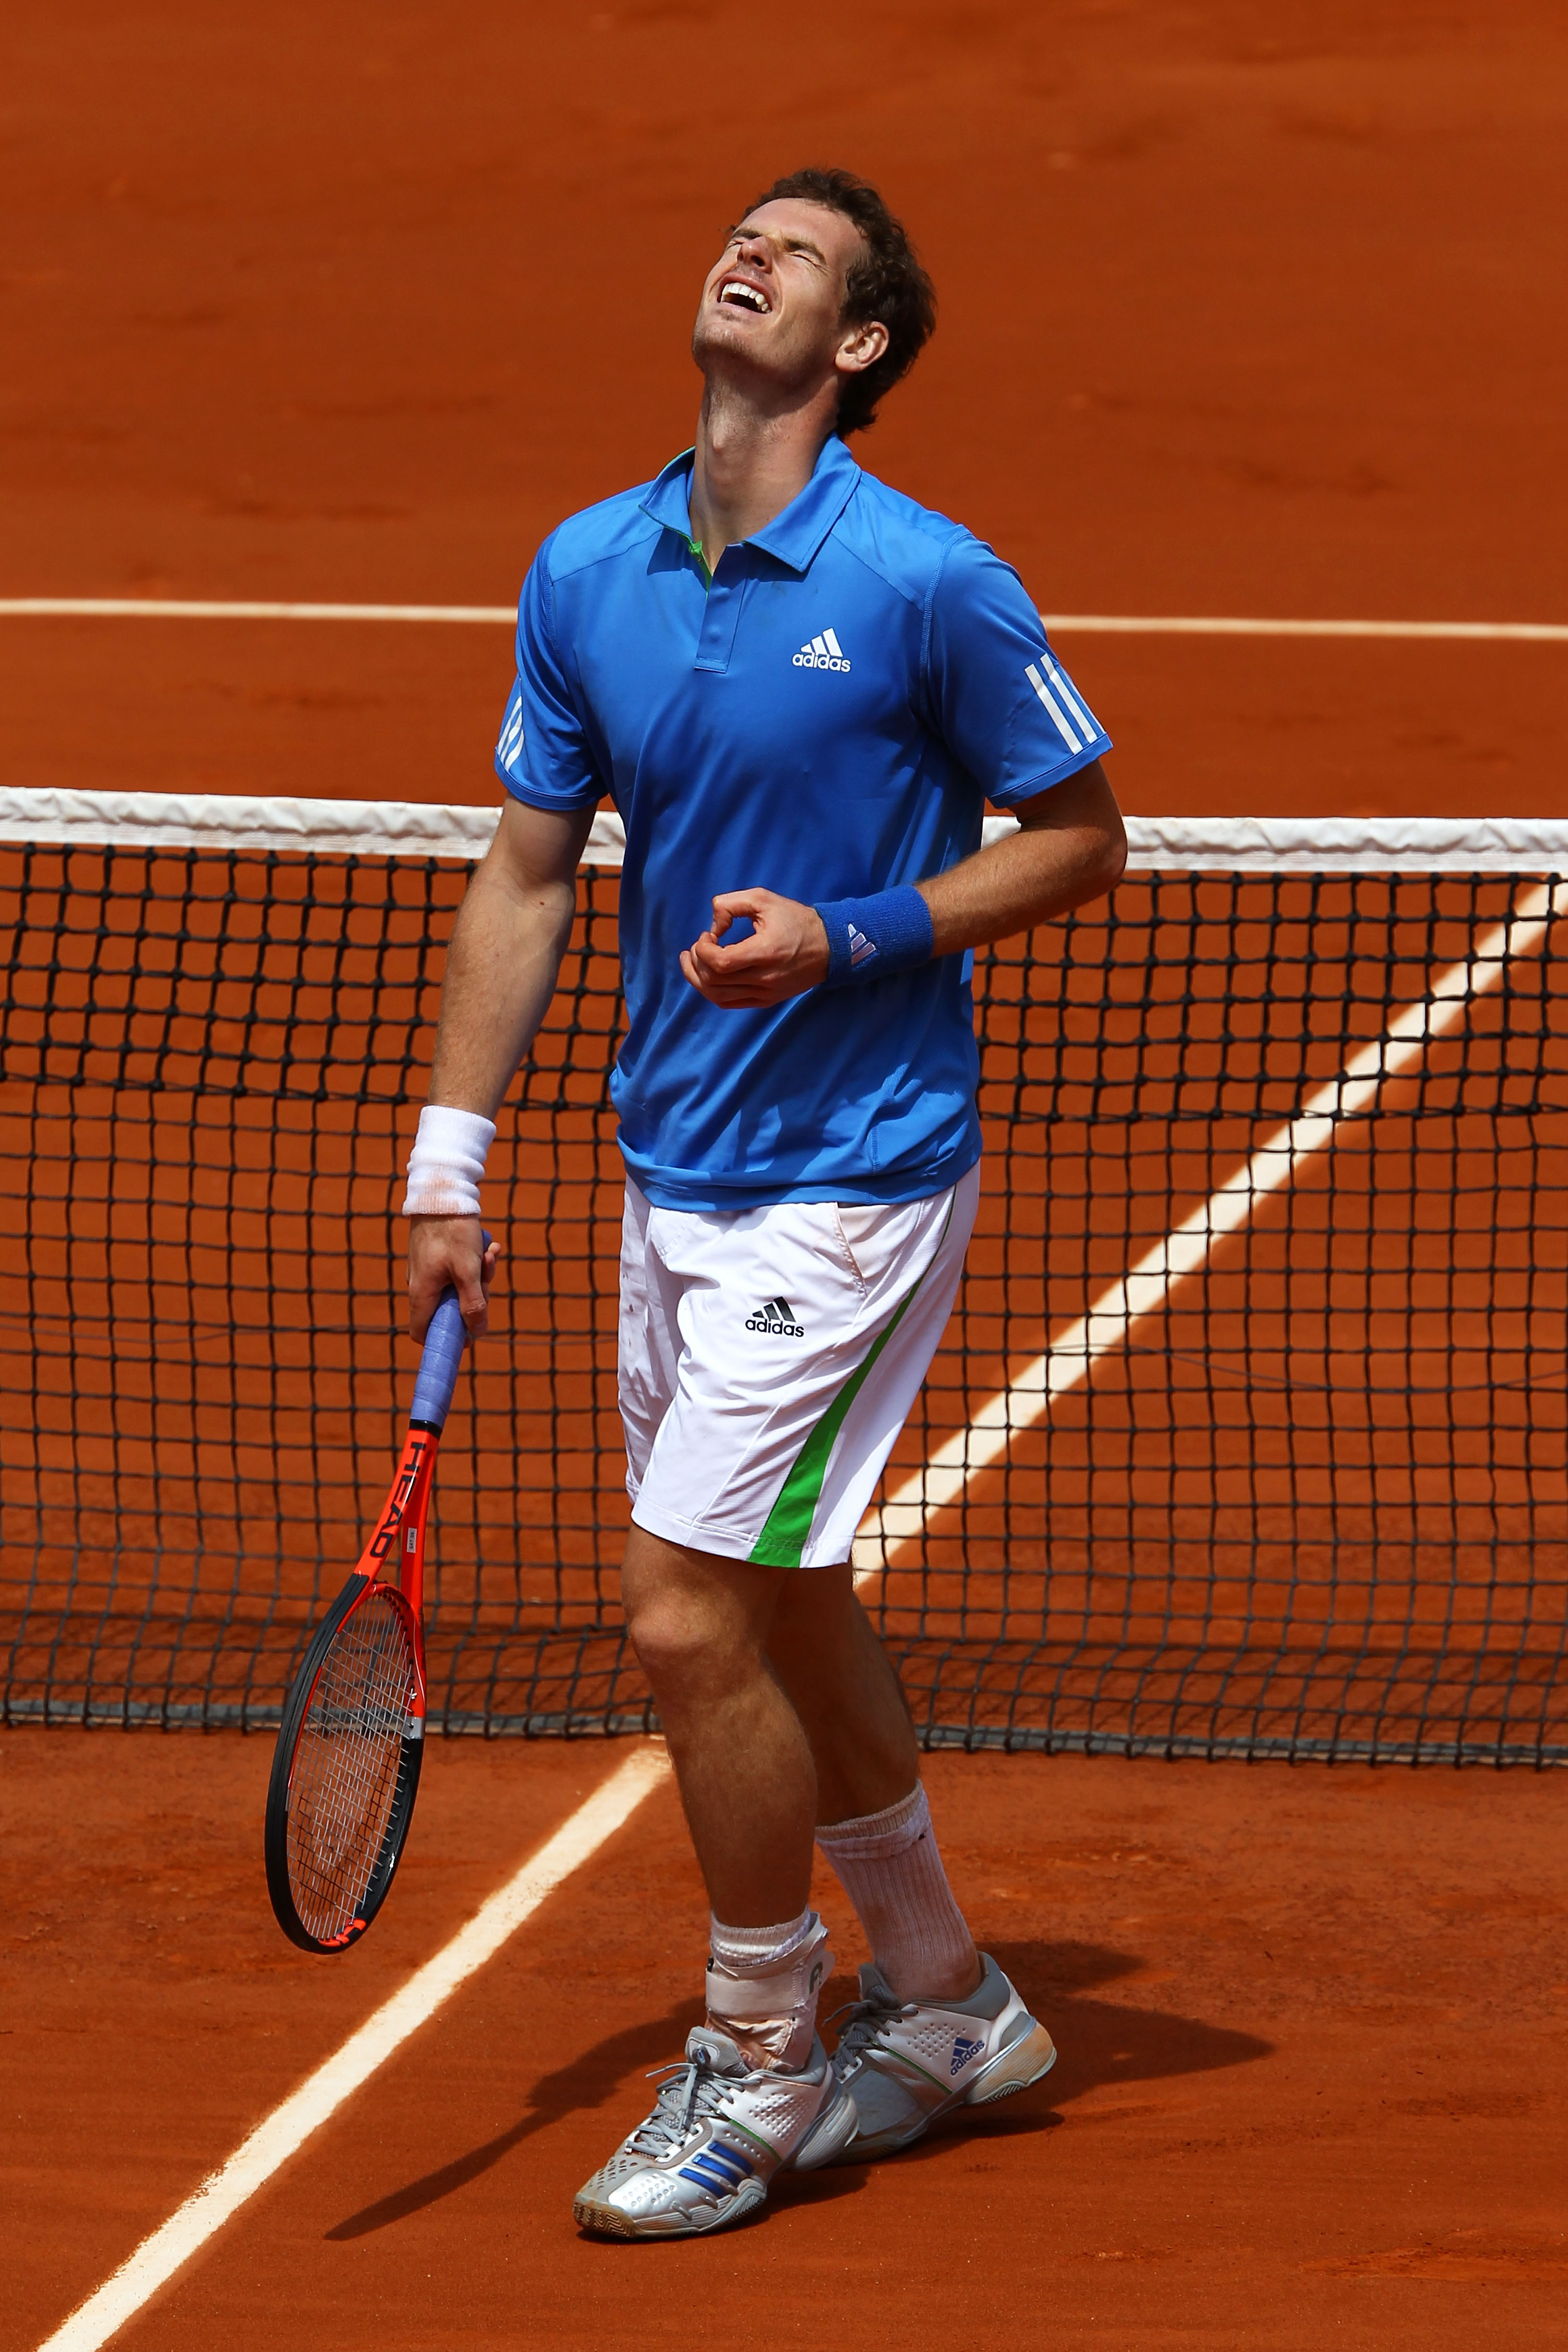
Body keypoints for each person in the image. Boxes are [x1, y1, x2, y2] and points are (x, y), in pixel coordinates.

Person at [403, 165, 1126, 2241]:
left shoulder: (926, 584)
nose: (748, 256)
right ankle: (957, 2004)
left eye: (796, 255)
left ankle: (759, 2051)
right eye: (741, 236)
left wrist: (857, 930)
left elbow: (1084, 839)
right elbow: (531, 873)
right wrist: (448, 1156)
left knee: (682, 1609)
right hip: (674, 1173)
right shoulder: (587, 566)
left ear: (859, 342)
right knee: (786, 1594)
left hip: (855, 1181)